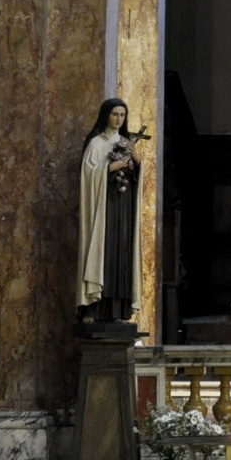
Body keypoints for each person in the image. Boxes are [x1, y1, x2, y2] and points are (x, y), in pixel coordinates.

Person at [78, 98, 145, 323]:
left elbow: (135, 177)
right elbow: (88, 175)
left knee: (121, 255)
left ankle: (118, 312)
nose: (119, 119)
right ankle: (93, 310)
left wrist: (137, 161)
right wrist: (110, 167)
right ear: (106, 115)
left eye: (122, 115)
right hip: (103, 208)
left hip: (123, 208)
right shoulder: (96, 144)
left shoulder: (127, 143)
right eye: (115, 114)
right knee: (102, 254)